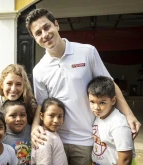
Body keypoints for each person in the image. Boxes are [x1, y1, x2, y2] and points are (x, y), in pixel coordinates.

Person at [25, 8, 141, 164]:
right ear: (34, 38)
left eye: (46, 27)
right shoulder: (39, 70)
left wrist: (129, 115)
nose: (44, 35)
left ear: (56, 25)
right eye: (38, 33)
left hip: (86, 139)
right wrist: (34, 127)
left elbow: (109, 83)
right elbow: (41, 103)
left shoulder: (87, 52)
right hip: (56, 138)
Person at [87, 76, 135, 165]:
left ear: (113, 100)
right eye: (92, 102)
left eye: (102, 102)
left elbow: (125, 159)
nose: (96, 108)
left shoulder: (118, 124)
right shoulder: (99, 116)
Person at [31, 97, 68, 165]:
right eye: (51, 115)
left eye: (60, 116)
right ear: (41, 116)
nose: (56, 120)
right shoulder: (43, 138)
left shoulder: (52, 133)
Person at [2, 100, 31, 165]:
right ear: (4, 118)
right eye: (13, 115)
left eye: (22, 115)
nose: (18, 119)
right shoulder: (1, 136)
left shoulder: (31, 130)